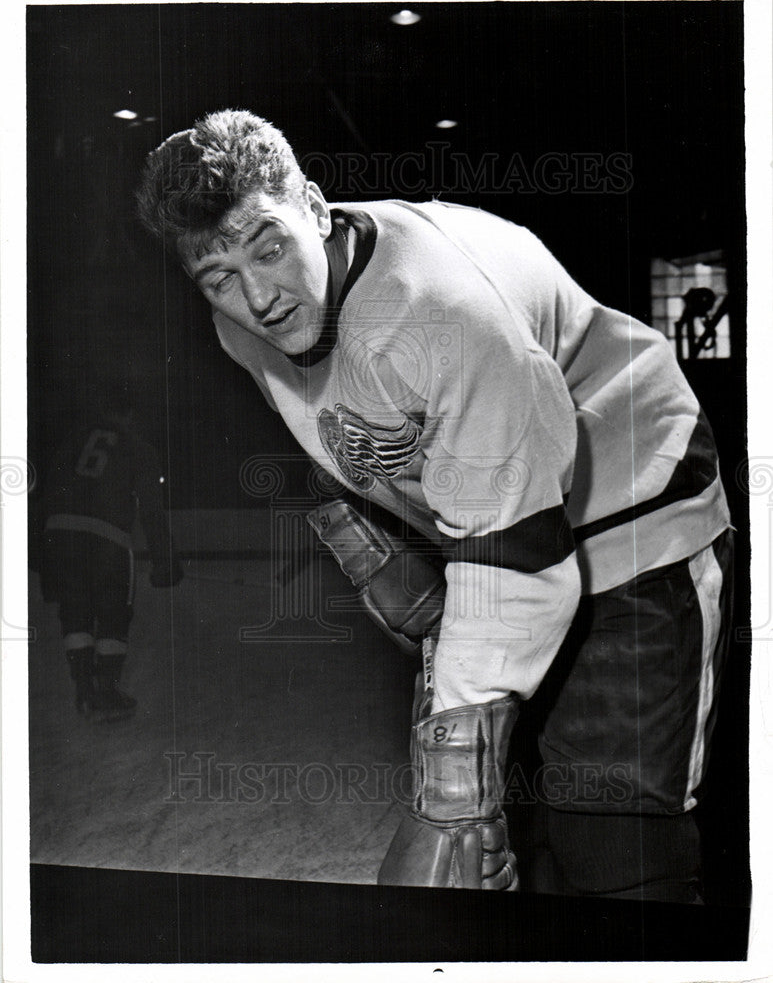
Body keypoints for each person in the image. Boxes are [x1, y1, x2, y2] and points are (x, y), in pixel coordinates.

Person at [136, 110, 733, 901]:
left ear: (315, 208)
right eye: (219, 278)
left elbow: (513, 555)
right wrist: (379, 530)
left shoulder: (443, 312)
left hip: (633, 510)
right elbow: (348, 417)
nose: (258, 297)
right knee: (525, 823)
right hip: (503, 516)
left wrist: (449, 798)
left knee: (613, 834)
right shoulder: (241, 324)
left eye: (269, 246)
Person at [40, 387, 183, 722]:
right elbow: (151, 511)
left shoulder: (73, 439)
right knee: (113, 614)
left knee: (74, 612)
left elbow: (47, 490)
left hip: (61, 534)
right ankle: (106, 689)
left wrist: (42, 554)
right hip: (108, 539)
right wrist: (165, 562)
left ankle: (83, 689)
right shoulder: (138, 447)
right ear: (132, 416)